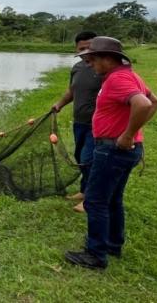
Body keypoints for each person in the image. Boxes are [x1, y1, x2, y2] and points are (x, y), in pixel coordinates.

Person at [65, 36, 157, 270]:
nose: (89, 64)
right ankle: (112, 244)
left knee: (96, 201)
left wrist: (128, 134)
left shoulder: (118, 79)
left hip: (112, 150)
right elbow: (154, 100)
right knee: (113, 199)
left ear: (108, 59)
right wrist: (133, 132)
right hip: (121, 149)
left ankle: (95, 255)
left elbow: (145, 104)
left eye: (93, 59)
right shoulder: (129, 75)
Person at [52, 31, 101, 213]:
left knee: (89, 159)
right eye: (82, 48)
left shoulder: (103, 68)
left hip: (98, 125)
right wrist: (59, 104)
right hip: (79, 122)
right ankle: (83, 190)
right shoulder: (77, 68)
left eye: (90, 47)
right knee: (81, 157)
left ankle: (90, 199)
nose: (86, 51)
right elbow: (72, 91)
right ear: (76, 49)